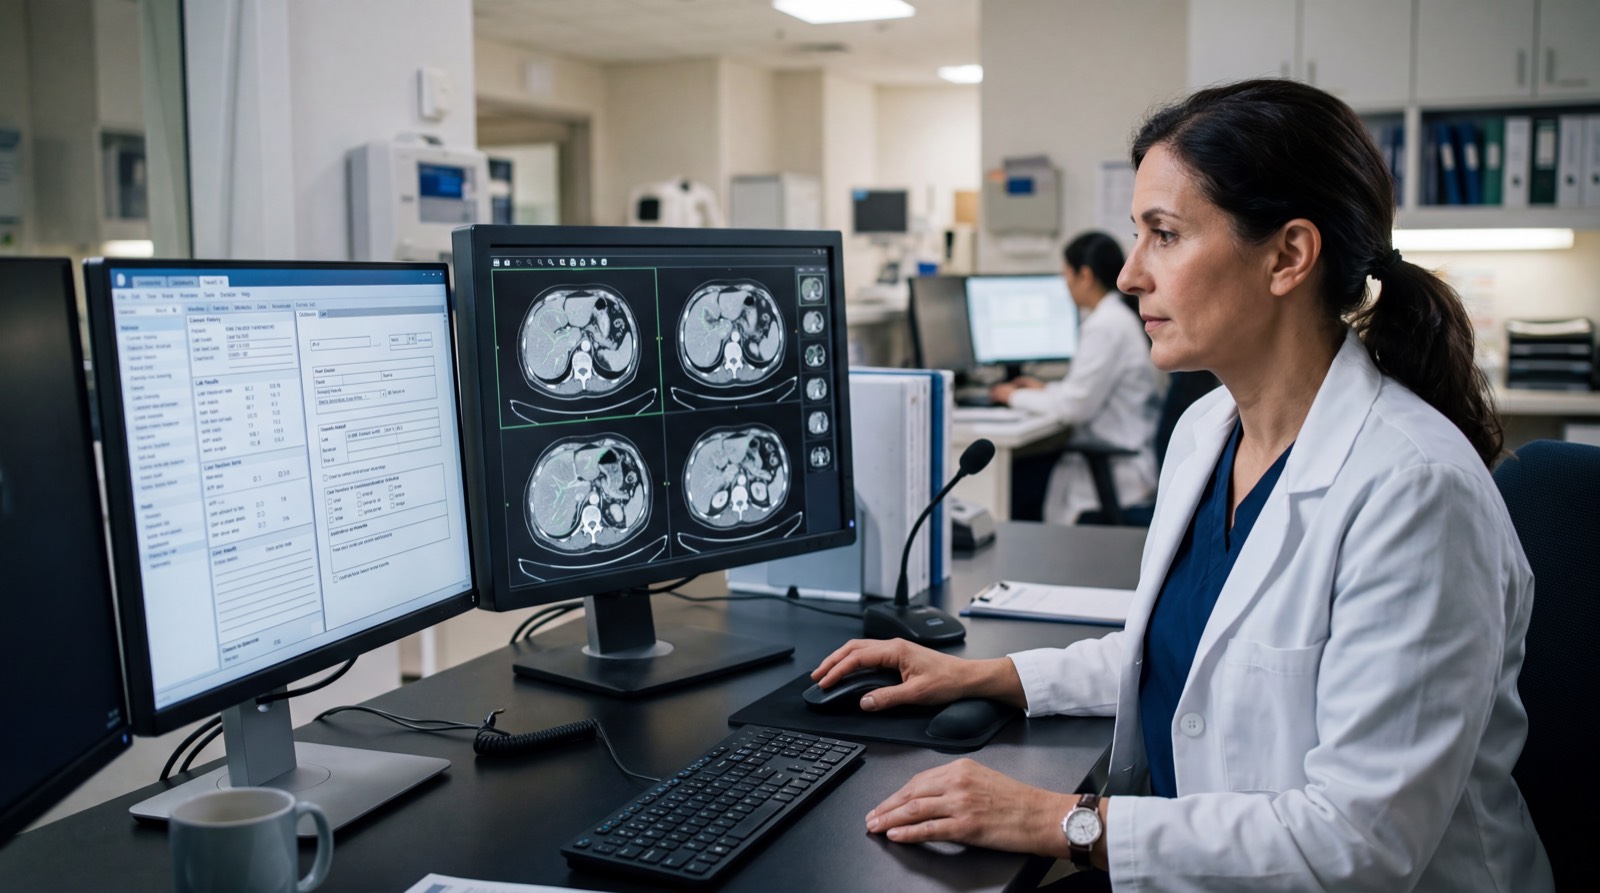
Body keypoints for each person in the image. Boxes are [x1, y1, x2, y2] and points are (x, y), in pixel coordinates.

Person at [813, 78, 1553, 891]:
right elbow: (1195, 653)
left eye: (1163, 234)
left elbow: (1358, 844)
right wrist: (993, 675)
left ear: (1288, 256)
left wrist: (1054, 818)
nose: (1129, 274)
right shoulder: (1208, 430)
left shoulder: (1416, 492)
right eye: (1138, 235)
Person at [991, 232, 1160, 524]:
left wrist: (1011, 396)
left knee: (1017, 480)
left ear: (1085, 275)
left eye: (1066, 275)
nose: (1064, 284)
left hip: (1118, 468)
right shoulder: (1117, 317)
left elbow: (1074, 408)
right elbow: (1082, 392)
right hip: (1123, 456)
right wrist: (1045, 390)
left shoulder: (1106, 326)